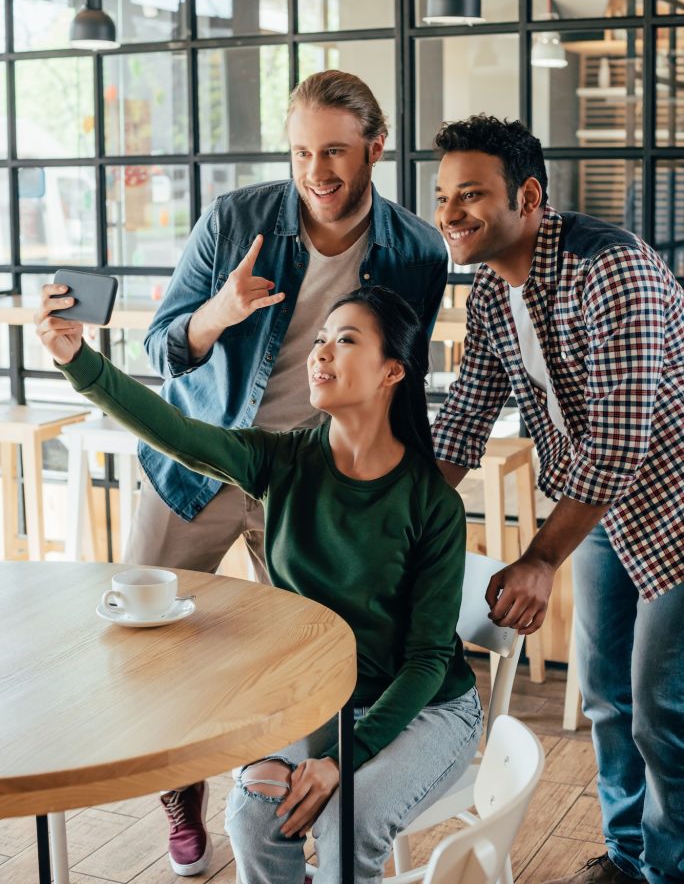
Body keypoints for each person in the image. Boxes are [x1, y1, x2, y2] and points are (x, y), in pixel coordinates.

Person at [35, 283, 483, 884]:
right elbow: (177, 434)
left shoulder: (430, 503)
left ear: (392, 372)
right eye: (319, 339)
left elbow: (427, 661)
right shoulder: (283, 460)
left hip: (426, 708)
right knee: (252, 815)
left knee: (344, 821)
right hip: (326, 698)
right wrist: (77, 361)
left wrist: (338, 763)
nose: (319, 353)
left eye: (345, 341)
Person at [430, 115, 684, 884]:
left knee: (659, 709)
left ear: (528, 196)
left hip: (672, 506)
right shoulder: (492, 289)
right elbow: (467, 413)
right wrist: (398, 519)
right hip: (598, 511)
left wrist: (541, 556)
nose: (450, 214)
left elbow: (619, 444)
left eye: (471, 195)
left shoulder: (615, 270)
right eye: (443, 196)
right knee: (606, 694)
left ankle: (670, 871)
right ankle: (627, 858)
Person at [130, 69, 447, 585]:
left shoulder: (418, 253)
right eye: (302, 152)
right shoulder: (231, 221)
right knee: (146, 633)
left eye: (334, 151)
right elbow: (158, 351)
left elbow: (399, 382)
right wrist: (219, 313)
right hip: (199, 462)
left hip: (310, 483)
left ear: (375, 149)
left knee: (304, 649)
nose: (315, 171)